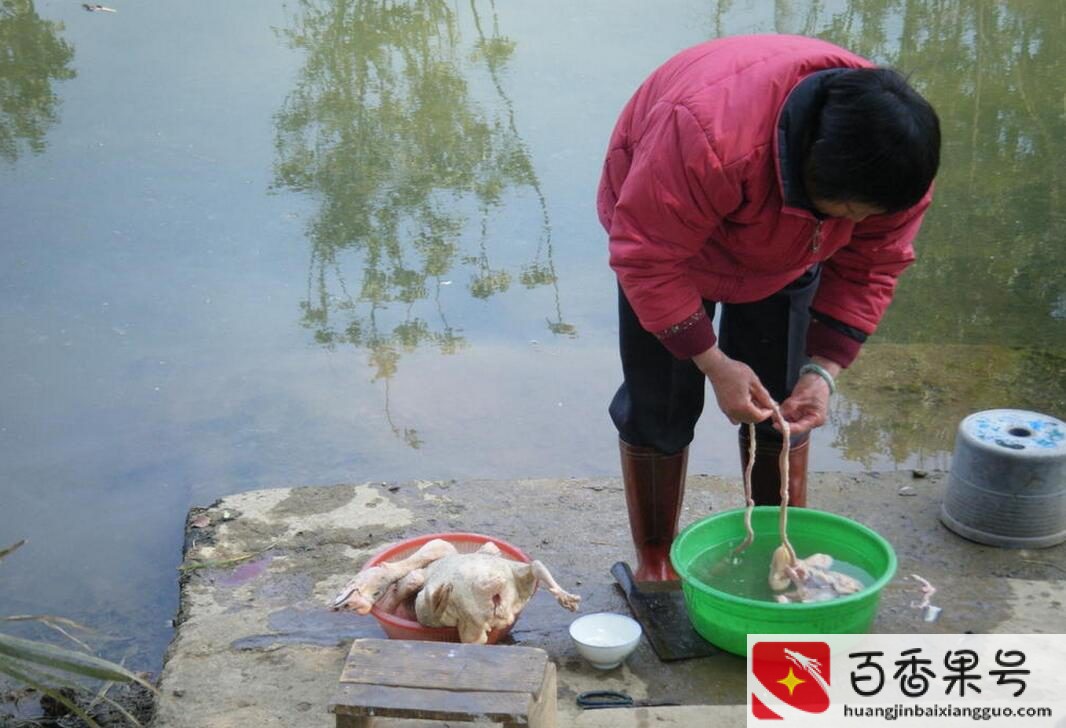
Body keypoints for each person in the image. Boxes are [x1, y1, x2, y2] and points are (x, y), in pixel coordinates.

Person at [597, 35, 941, 581]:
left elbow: (873, 265)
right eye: (852, 210)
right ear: (813, 169)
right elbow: (648, 258)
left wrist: (822, 371)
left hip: (792, 249)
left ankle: (777, 549)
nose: (863, 219)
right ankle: (655, 562)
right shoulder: (706, 131)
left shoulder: (894, 168)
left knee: (784, 404)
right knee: (659, 404)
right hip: (669, 248)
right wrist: (713, 362)